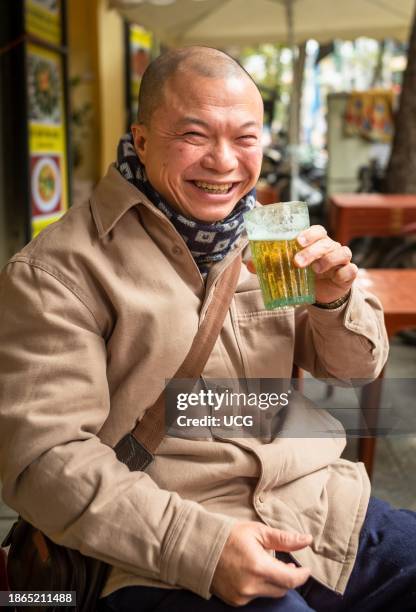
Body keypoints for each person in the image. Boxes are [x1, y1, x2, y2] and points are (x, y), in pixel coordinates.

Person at [0, 46, 414, 612]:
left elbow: (353, 368)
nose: (223, 161)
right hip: (162, 545)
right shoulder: (60, 270)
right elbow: (42, 461)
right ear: (142, 141)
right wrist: (201, 548)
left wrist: (334, 300)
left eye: (245, 138)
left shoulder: (271, 237)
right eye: (194, 135)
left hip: (318, 510)